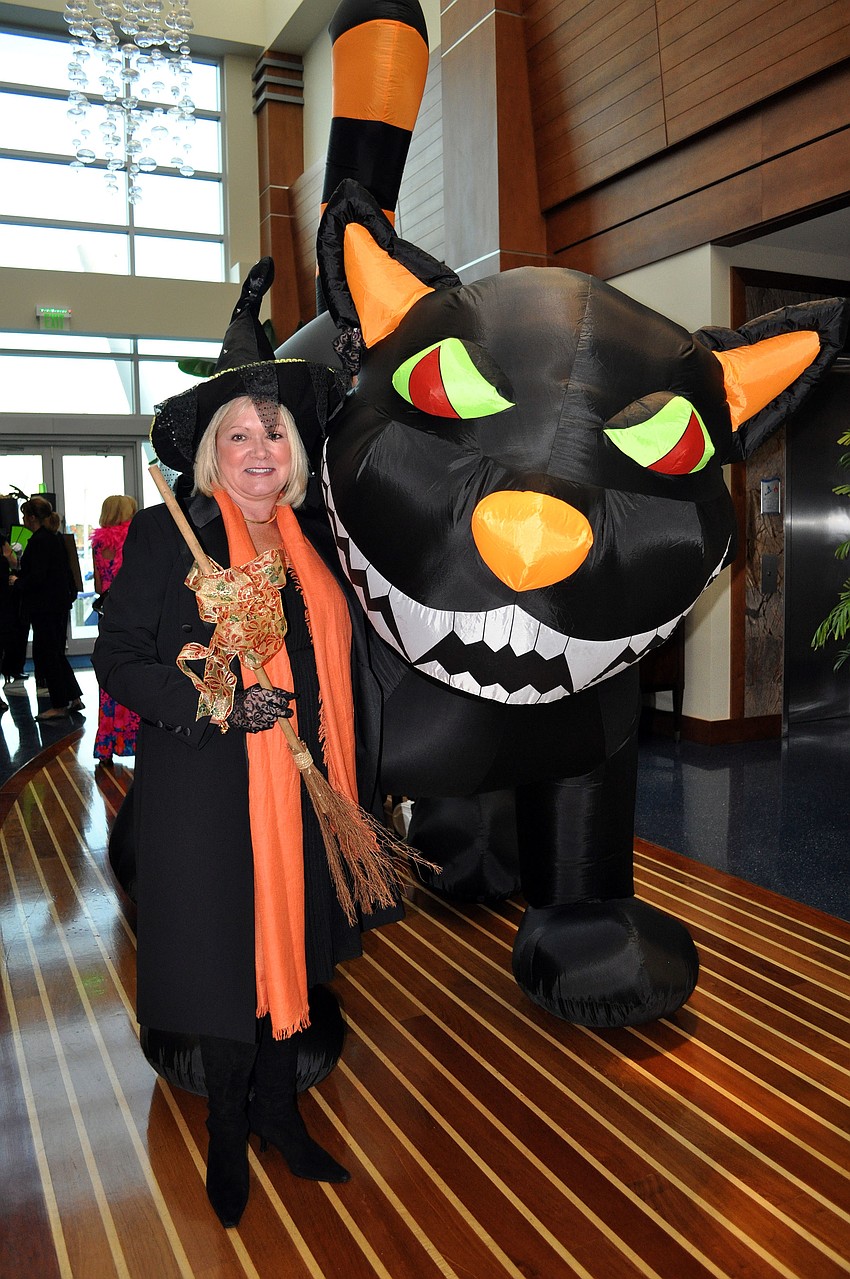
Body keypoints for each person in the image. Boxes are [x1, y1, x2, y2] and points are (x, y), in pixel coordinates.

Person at [93, 259, 400, 1229]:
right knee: (226, 970)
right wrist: (215, 697)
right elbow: (119, 658)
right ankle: (227, 1131)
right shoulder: (164, 537)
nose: (260, 448)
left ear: (294, 449)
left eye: (275, 431)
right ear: (211, 451)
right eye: (239, 432)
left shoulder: (312, 547)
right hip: (209, 800)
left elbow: (340, 670)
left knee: (292, 956)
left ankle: (278, 1114)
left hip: (306, 795)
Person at [12, 497, 83, 722]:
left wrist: (18, 581)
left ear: (32, 517)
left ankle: (59, 704)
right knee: (56, 652)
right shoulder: (54, 537)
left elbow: (38, 576)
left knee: (48, 655)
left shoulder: (39, 541)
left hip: (45, 606)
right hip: (58, 604)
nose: (23, 520)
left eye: (25, 516)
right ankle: (73, 696)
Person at [90, 495, 140, 764]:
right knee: (136, 673)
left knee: (109, 676)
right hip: (133, 615)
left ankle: (107, 745)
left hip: (109, 616)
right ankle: (135, 741)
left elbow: (99, 587)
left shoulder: (99, 543)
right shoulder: (134, 540)